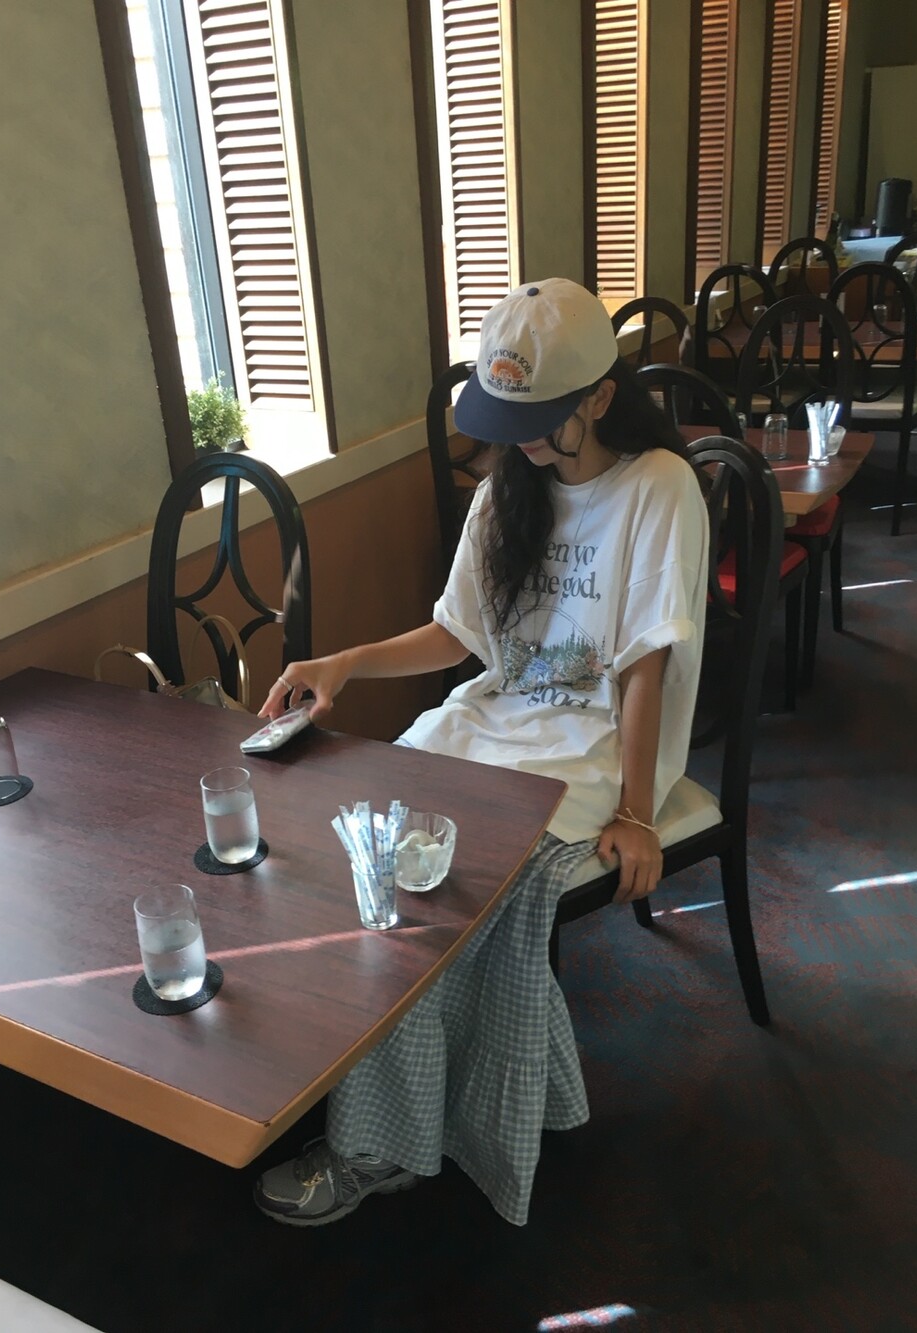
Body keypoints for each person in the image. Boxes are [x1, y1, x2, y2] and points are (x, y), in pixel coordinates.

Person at [253, 278, 709, 1228]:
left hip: (589, 747)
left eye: (540, 421)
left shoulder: (658, 488)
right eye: (509, 421)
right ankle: (341, 1075)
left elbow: (644, 672)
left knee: (440, 901)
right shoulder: (512, 486)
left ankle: (378, 1143)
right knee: (365, 852)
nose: (523, 441)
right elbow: (456, 633)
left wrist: (636, 811)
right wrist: (345, 662)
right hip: (490, 722)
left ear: (601, 395)